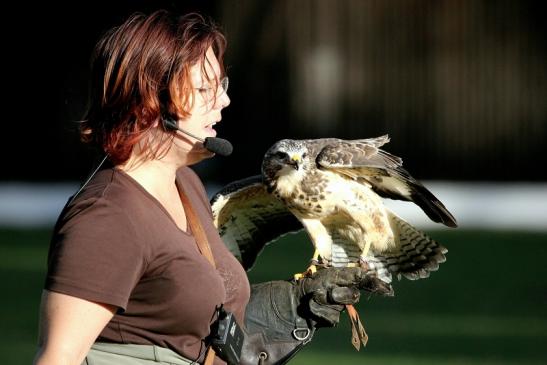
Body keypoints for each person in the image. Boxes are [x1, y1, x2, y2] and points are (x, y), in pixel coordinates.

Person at [33, 9, 376, 365]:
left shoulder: (186, 185)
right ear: (150, 102)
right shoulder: (107, 216)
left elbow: (182, 325)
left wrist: (296, 306)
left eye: (221, 86)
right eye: (203, 88)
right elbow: (59, 356)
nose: (223, 101)